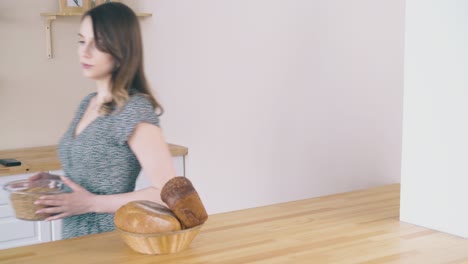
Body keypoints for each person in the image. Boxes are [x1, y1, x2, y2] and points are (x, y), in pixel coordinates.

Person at [29, 2, 176, 239]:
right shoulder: (88, 103)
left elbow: (169, 194)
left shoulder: (134, 109)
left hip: (110, 241)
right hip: (74, 240)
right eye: (81, 41)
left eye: (97, 43)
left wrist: (90, 204)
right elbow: (90, 180)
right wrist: (56, 182)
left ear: (121, 50)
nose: (84, 52)